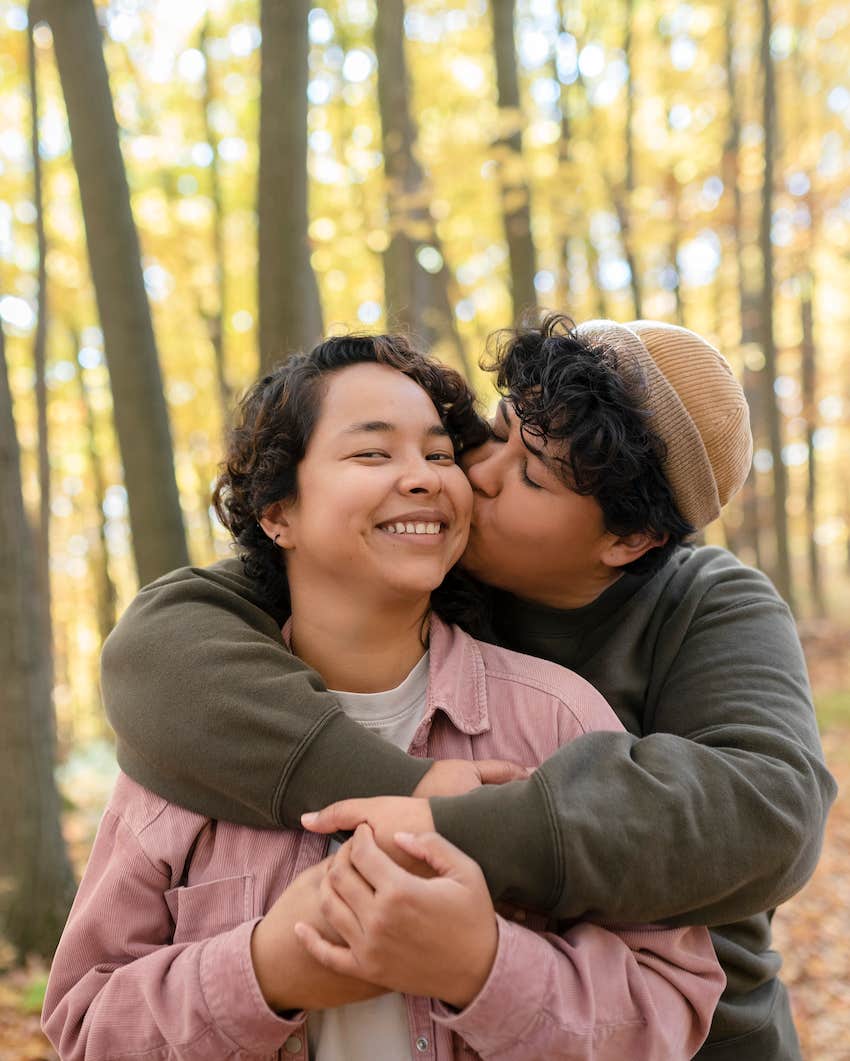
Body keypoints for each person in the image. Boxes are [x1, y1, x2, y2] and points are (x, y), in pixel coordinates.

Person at [98, 317, 835, 1060]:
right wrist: (406, 788)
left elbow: (771, 807)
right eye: (496, 429)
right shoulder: (408, 560)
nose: (477, 471)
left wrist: (451, 829)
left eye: (532, 475)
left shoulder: (705, 607)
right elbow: (159, 648)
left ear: (627, 541)